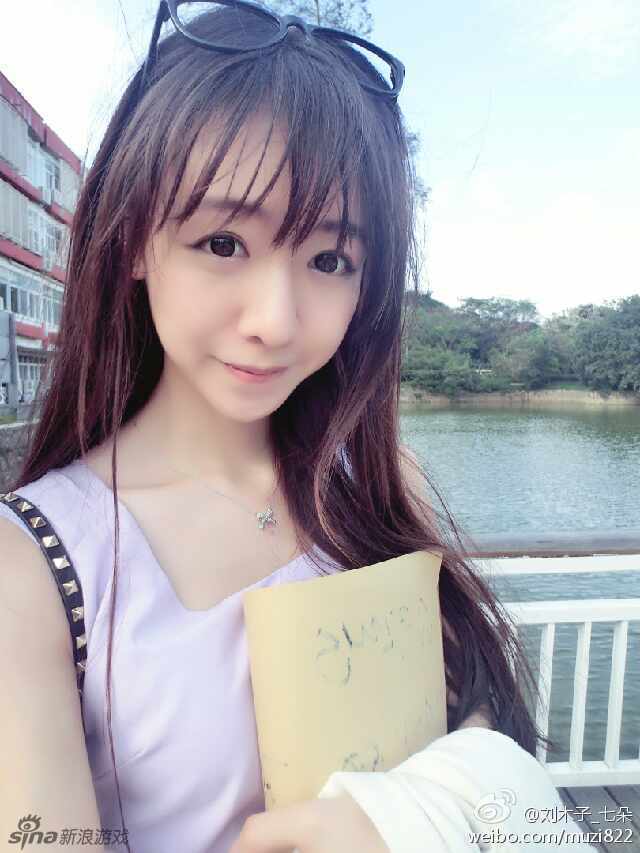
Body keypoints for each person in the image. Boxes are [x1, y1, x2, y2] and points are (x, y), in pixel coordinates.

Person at [0, 2, 596, 852]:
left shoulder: (375, 488)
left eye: (328, 260)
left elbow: (473, 725)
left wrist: (412, 814)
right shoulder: (33, 567)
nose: (276, 321)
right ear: (132, 238)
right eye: (223, 243)